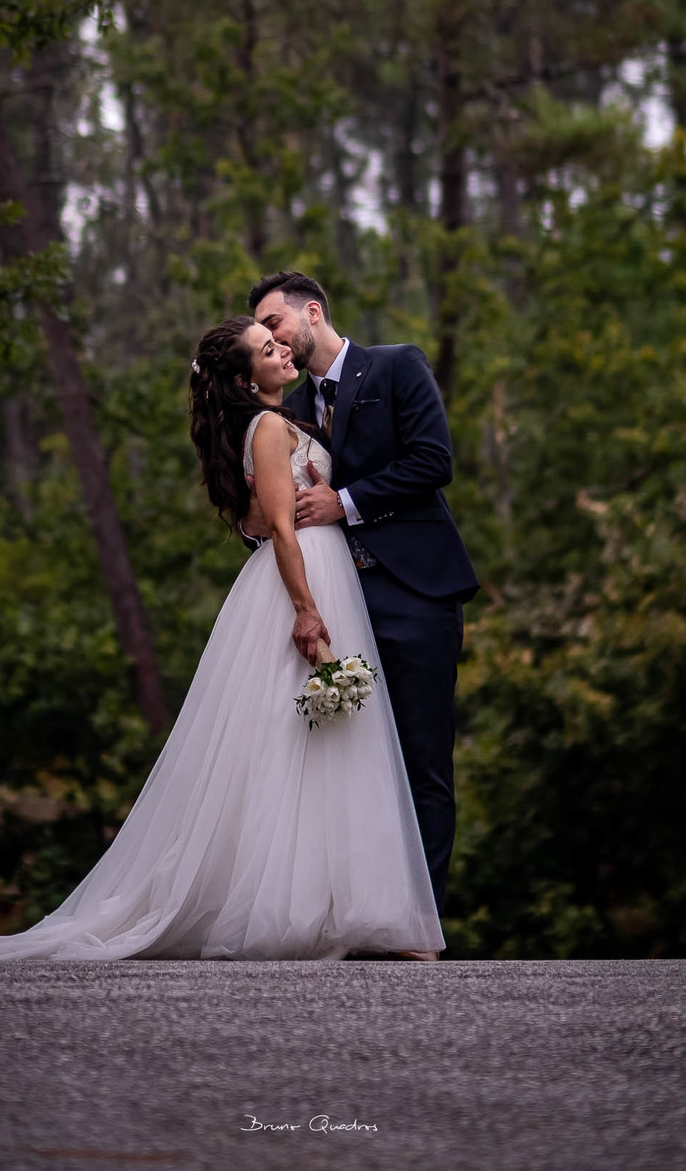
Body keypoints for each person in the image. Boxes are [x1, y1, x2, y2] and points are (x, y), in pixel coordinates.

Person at [0, 314, 443, 963]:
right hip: (304, 580)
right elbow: (279, 527)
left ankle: (346, 909)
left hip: (323, 572)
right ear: (244, 379)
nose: (281, 350)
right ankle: (299, 909)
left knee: (323, 741)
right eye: (267, 348)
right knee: (301, 742)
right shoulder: (270, 427)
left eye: (277, 340)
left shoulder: (281, 418)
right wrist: (306, 610)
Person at [247, 271, 479, 916]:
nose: (272, 340)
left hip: (417, 593)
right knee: (351, 766)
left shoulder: (397, 367)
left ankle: (420, 926)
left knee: (424, 763)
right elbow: (278, 506)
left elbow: (434, 461)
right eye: (261, 334)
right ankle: (359, 918)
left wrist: (344, 502)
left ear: (312, 311)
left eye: (274, 323)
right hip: (339, 603)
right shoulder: (285, 410)